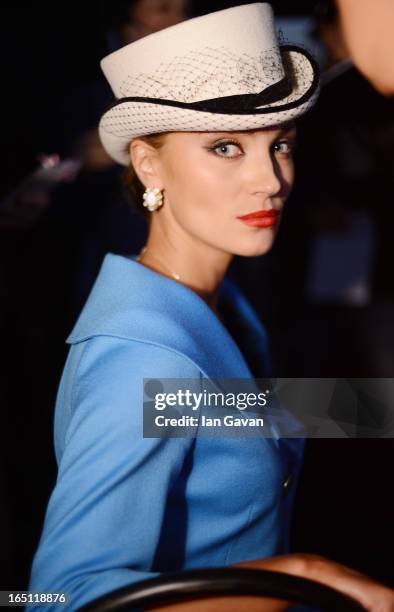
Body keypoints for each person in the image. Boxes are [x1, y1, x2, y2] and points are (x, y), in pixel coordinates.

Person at [26, 4, 394, 611]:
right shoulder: (143, 359)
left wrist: (370, 410)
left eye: (280, 144)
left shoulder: (213, 307)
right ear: (149, 163)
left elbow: (225, 412)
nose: (270, 180)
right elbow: (56, 599)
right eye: (225, 147)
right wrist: (296, 575)